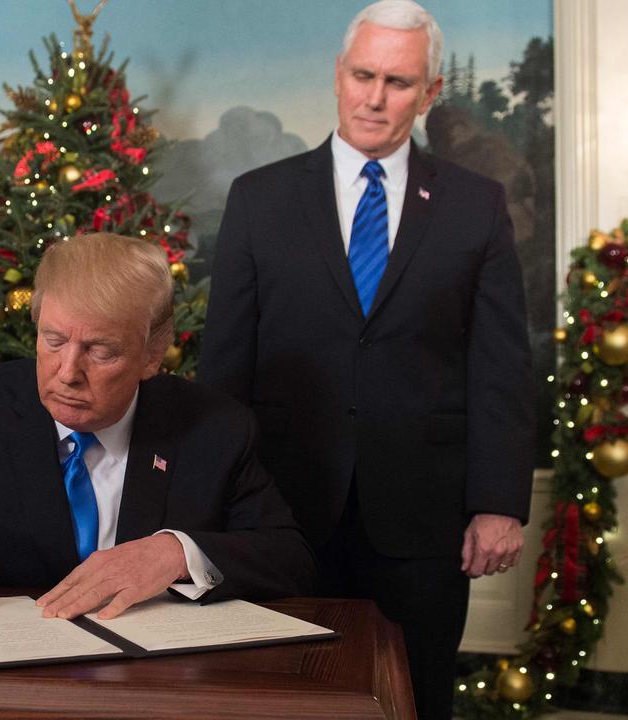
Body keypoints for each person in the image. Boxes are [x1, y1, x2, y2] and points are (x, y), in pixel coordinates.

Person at [197, 1, 535, 717]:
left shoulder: (477, 206)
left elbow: (501, 367)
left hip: (425, 521)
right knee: (281, 701)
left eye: (399, 82)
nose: (376, 98)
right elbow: (225, 368)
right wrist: (215, 503)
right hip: (281, 516)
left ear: (431, 92)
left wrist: (499, 503)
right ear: (338, 75)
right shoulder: (259, 200)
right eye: (363, 75)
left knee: (415, 699)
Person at [0, 232, 313, 621]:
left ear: (152, 356)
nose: (68, 371)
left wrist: (175, 554)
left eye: (101, 351)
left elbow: (289, 555)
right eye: (53, 340)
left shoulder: (215, 427)